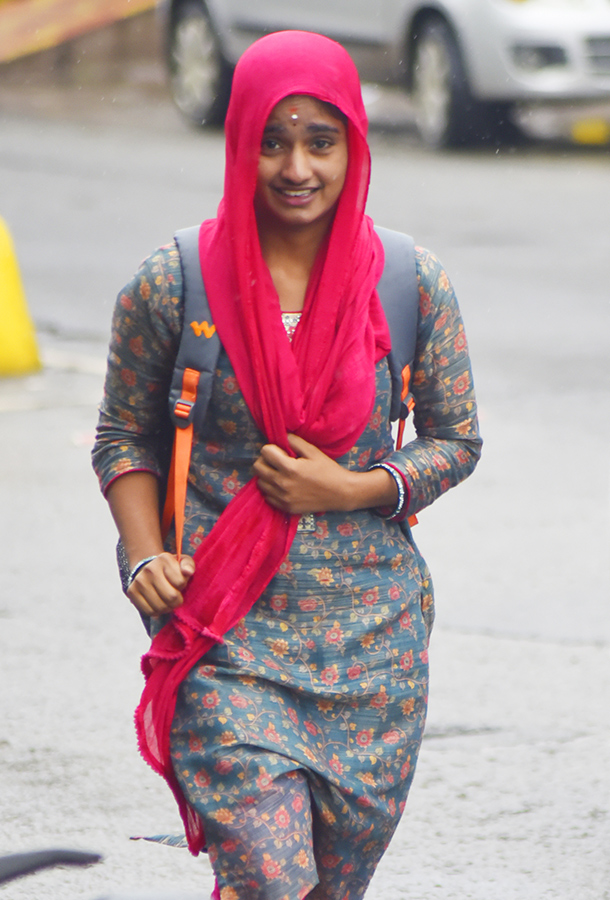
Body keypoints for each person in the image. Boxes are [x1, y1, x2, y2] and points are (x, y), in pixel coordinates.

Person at [92, 30, 481, 900]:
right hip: (226, 635)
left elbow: (456, 440)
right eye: (273, 141)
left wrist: (355, 487)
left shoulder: (411, 284)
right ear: (239, 144)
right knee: (273, 879)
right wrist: (146, 553)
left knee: (325, 891)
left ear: (353, 147)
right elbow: (123, 434)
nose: (296, 166)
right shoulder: (173, 283)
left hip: (374, 652)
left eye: (319, 141)